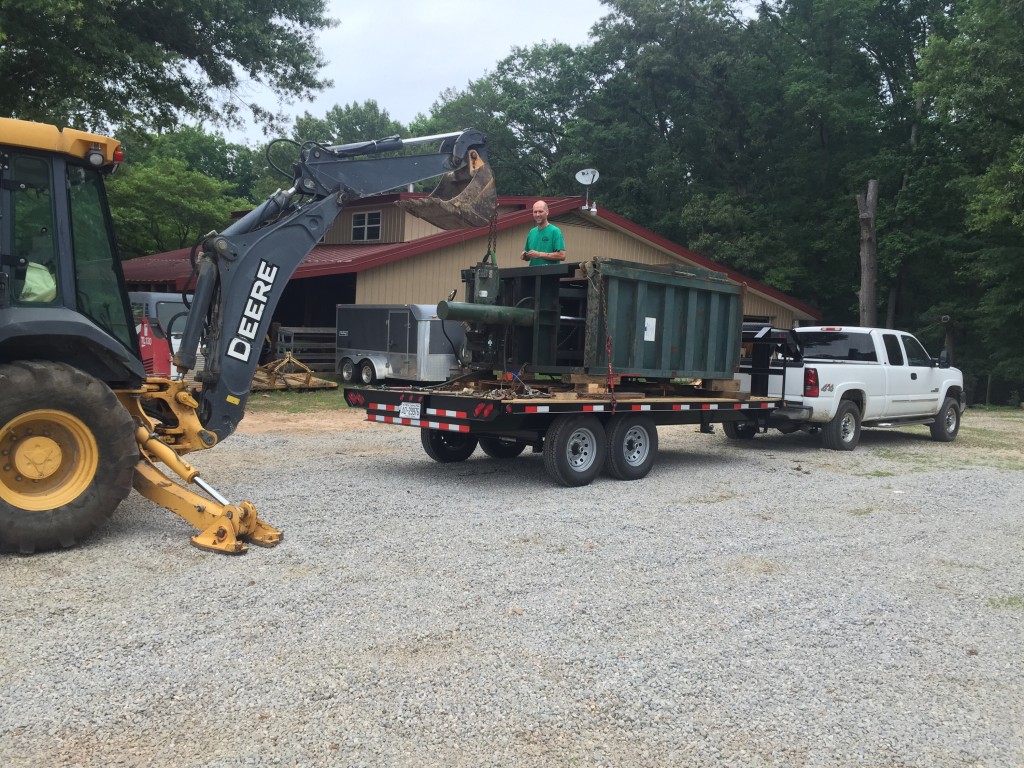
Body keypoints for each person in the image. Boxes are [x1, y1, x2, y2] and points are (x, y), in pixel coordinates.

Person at [521, 200, 566, 266]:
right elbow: (529, 257)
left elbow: (562, 255)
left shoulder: (555, 231)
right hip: (533, 274)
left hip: (549, 274)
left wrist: (539, 254)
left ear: (547, 212)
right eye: (535, 212)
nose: (537, 214)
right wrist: (525, 255)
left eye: (540, 211)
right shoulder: (531, 232)